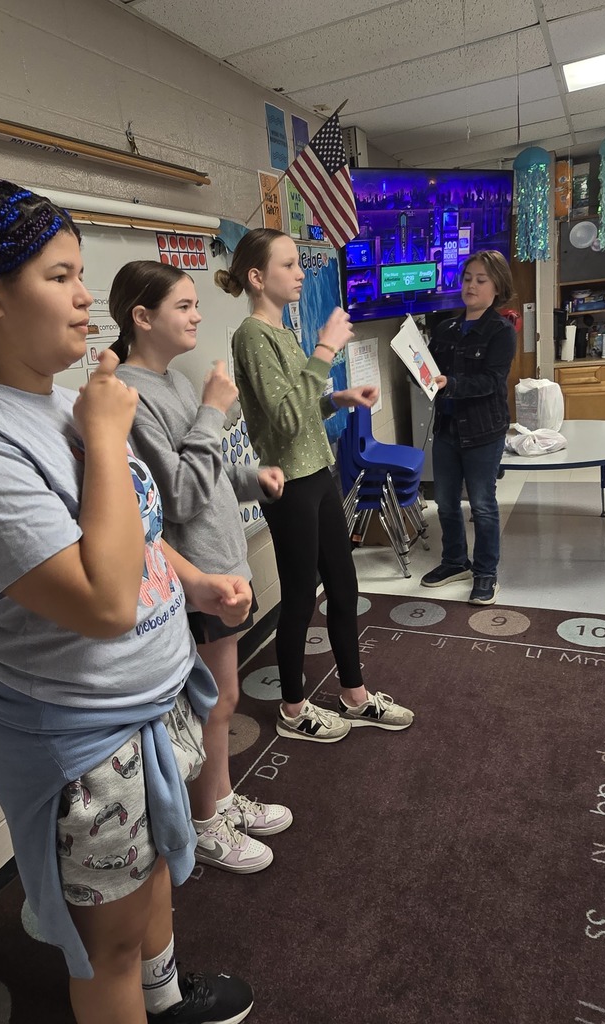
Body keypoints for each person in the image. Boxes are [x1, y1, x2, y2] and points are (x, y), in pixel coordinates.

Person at [0, 177, 255, 1024]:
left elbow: (122, 529)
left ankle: (167, 1003)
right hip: (84, 738)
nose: (86, 295)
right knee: (109, 949)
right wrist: (102, 434)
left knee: (157, 878)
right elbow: (101, 600)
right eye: (60, 276)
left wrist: (191, 579)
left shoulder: (57, 398)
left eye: (79, 272)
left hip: (146, 704)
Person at [109, 260, 293, 875]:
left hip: (223, 564)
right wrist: (215, 409)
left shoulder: (175, 384)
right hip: (196, 580)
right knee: (215, 703)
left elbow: (203, 474)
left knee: (223, 698)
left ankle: (221, 802)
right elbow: (178, 500)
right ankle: (209, 824)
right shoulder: (133, 400)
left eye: (195, 304)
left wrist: (250, 479)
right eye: (183, 306)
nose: (196, 316)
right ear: (142, 317)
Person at [215, 227, 414, 743]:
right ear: (257, 278)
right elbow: (281, 421)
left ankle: (354, 695)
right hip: (290, 485)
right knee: (301, 597)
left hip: (317, 473)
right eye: (288, 264)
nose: (301, 272)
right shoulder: (251, 335)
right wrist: (326, 348)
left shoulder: (280, 333)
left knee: (343, 586)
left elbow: (299, 408)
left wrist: (338, 399)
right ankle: (292, 706)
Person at [420, 250, 517, 606]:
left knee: (482, 504)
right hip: (446, 429)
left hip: (483, 431)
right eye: (467, 279)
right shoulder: (445, 327)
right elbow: (428, 370)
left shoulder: (500, 331)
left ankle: (485, 571)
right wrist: (419, 373)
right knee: (445, 502)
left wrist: (451, 384)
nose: (471, 286)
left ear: (496, 288)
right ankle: (455, 561)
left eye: (481, 280)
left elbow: (492, 382)